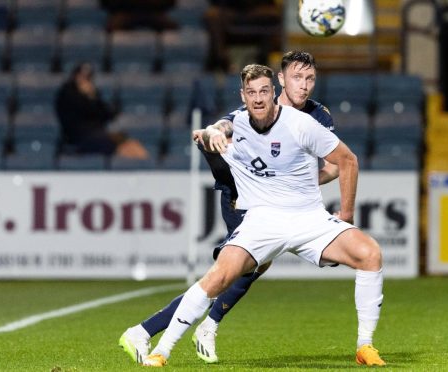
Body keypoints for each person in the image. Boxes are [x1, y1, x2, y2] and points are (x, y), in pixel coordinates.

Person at [141, 63, 386, 367]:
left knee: (370, 254)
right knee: (218, 276)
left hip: (309, 219)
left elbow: (347, 160)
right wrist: (211, 133)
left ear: (274, 93)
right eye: (251, 92)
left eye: (264, 91)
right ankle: (161, 351)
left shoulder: (301, 124)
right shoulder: (236, 125)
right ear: (243, 96)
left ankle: (365, 346)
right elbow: (210, 132)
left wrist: (346, 215)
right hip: (262, 222)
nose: (258, 99)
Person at [55, 62, 148, 159]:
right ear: (75, 76)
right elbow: (81, 112)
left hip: (97, 134)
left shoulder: (93, 94)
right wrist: (88, 97)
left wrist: (92, 96)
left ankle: (146, 168)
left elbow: (107, 114)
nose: (84, 80)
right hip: (79, 137)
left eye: (88, 77)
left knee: (132, 144)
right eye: (81, 76)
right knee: (123, 149)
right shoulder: (67, 94)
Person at [204, 0, 282, 72]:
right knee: (212, 16)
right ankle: (220, 59)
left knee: (273, 15)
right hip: (230, 9)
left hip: (258, 9)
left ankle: (264, 58)